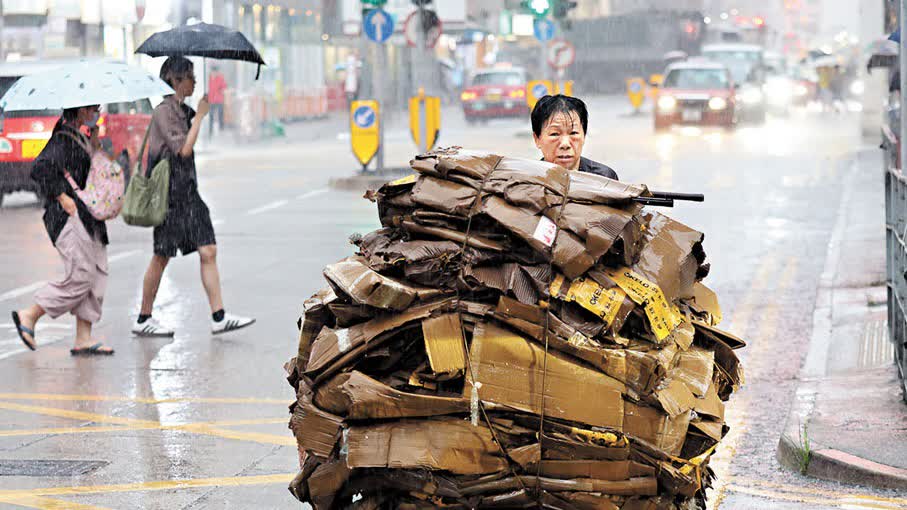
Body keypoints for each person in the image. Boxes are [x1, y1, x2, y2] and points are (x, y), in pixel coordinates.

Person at [132, 56, 254, 337]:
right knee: (161, 256)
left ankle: (219, 316)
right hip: (171, 197)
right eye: (190, 76)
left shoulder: (181, 110)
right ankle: (143, 318)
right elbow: (183, 150)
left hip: (189, 194)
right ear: (175, 79)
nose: (195, 82)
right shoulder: (164, 111)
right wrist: (199, 116)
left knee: (208, 250)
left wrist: (198, 113)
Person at [11, 105, 114, 356]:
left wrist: (95, 146)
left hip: (89, 217)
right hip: (69, 217)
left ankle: (83, 337)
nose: (97, 111)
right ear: (80, 111)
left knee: (97, 273)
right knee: (81, 274)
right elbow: (40, 168)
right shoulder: (63, 138)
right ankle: (30, 314)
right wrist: (61, 196)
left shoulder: (81, 137)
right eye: (92, 107)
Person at [530, 94, 619, 180]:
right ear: (537, 139)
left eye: (573, 133)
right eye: (555, 134)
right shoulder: (529, 181)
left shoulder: (603, 178)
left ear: (584, 135)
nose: (565, 144)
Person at [208, 65, 227, 134]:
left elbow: (224, 87)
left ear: (217, 72)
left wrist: (221, 90)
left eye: (215, 72)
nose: (214, 73)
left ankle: (221, 129)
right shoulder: (209, 78)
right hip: (211, 99)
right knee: (211, 115)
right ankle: (210, 130)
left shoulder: (220, 78)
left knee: (220, 114)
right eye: (213, 72)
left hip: (219, 99)